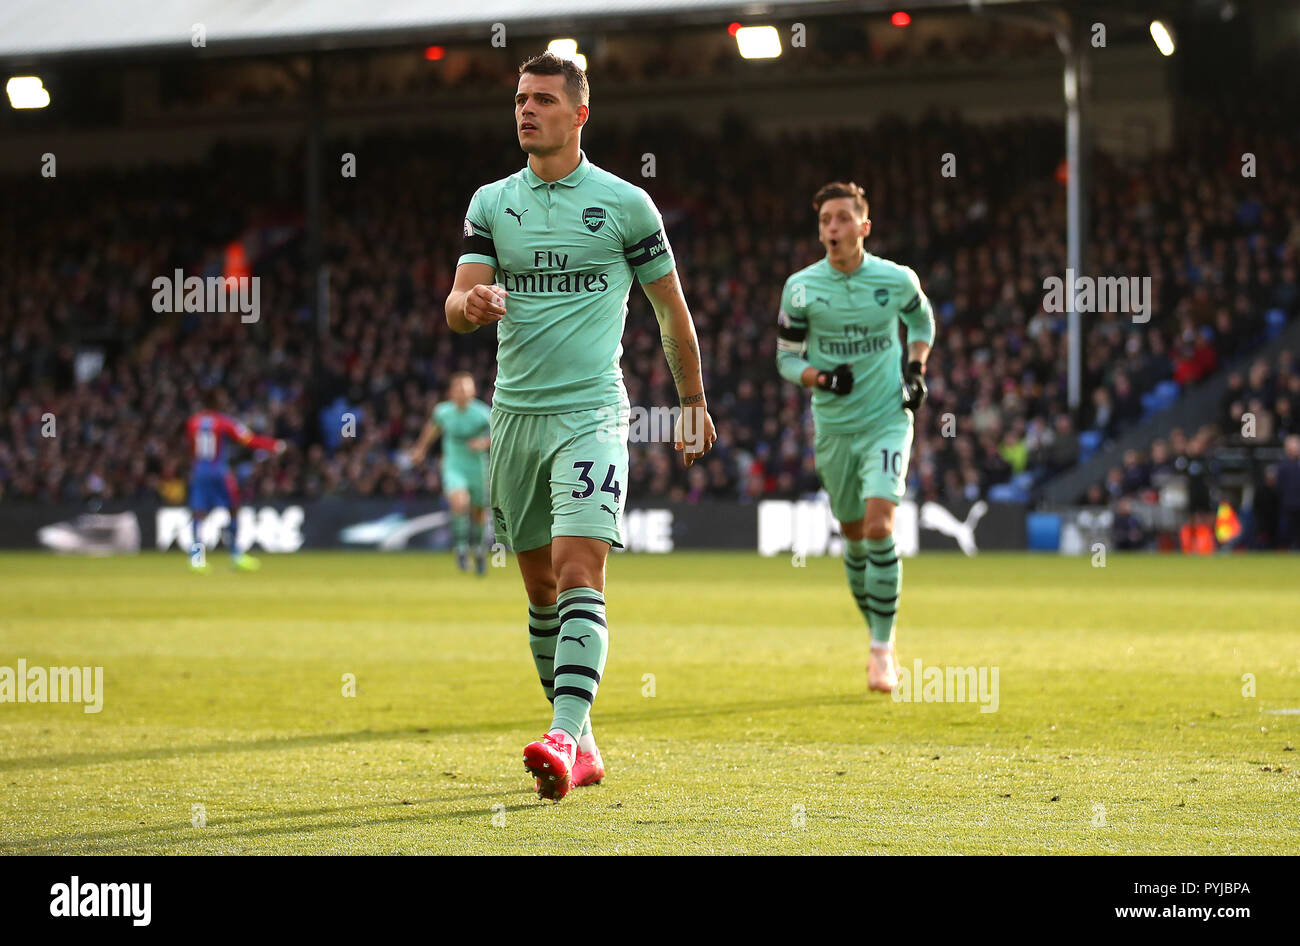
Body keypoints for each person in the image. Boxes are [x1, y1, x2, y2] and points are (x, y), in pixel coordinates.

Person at [446, 51, 715, 801]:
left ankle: (562, 734)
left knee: (577, 570)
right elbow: (456, 299)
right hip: (515, 418)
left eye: (542, 100)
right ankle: (584, 743)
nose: (525, 110)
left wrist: (691, 401)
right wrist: (469, 307)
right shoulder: (493, 202)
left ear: (579, 114)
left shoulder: (626, 206)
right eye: (519, 99)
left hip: (592, 413)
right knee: (538, 591)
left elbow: (671, 311)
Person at [775, 181, 935, 693]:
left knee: (879, 523)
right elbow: (785, 358)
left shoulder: (895, 278)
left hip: (888, 419)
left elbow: (922, 320)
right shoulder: (801, 288)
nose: (833, 228)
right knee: (853, 538)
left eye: (843, 219)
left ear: (864, 227)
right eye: (826, 221)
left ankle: (882, 650)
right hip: (834, 428)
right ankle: (876, 631)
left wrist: (915, 369)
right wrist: (821, 378)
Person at [186, 391, 286, 572]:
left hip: (199, 472)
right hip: (218, 472)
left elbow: (192, 448)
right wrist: (273, 445)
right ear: (216, 403)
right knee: (233, 510)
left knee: (198, 514)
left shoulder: (193, 422)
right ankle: (235, 555)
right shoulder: (224, 421)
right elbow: (248, 440)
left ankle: (197, 559)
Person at [408, 373, 491, 574]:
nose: (463, 392)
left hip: (478, 467)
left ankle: (479, 549)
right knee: (459, 502)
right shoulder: (443, 411)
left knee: (479, 512)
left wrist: (483, 443)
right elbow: (432, 429)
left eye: (466, 388)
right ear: (452, 392)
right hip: (454, 465)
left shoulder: (483, 413)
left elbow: (500, 435)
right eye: (459, 388)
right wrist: (420, 449)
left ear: (473, 390)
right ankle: (461, 549)